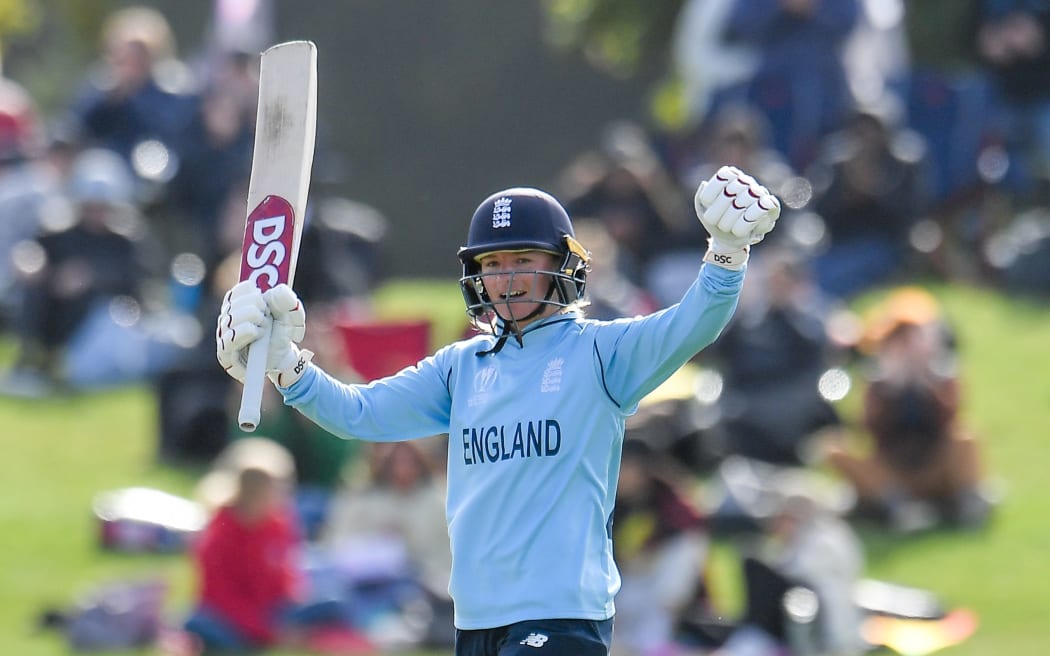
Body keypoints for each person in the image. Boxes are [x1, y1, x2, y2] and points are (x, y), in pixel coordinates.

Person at [216, 165, 781, 656]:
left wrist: (726, 255)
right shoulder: (461, 367)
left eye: (523, 259)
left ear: (564, 264)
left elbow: (693, 324)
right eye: (493, 263)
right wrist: (286, 365)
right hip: (477, 618)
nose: (506, 278)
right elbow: (359, 413)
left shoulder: (601, 353)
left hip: (562, 616)